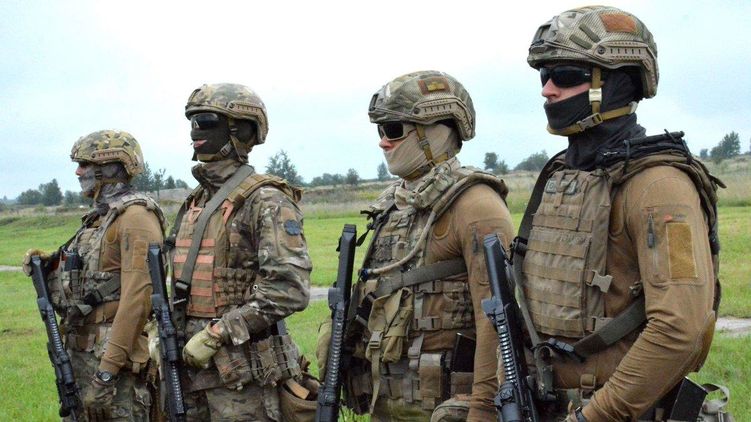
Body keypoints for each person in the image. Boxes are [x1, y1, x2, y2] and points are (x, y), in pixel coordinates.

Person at [509, 6, 723, 421]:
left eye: (565, 75)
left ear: (615, 82)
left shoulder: (659, 187)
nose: (547, 90)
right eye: (544, 75)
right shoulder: (560, 176)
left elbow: (679, 329)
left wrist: (592, 417)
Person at [318, 70, 514, 421]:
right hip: (388, 407)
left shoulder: (475, 205)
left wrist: (484, 410)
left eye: (393, 129)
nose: (383, 142)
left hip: (447, 411)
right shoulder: (391, 207)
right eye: (380, 131)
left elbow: (497, 323)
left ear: (435, 132)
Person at [169, 83, 313, 421]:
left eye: (206, 122)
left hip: (242, 377)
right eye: (192, 122)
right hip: (189, 371)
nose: (194, 132)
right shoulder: (195, 202)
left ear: (241, 130)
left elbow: (288, 289)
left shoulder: (266, 200)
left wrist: (219, 332)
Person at [23, 130, 165, 421]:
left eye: (85, 164)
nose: (78, 172)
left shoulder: (136, 217)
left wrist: (107, 373)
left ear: (110, 167)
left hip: (114, 371)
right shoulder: (100, 217)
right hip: (81, 360)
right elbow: (91, 279)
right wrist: (50, 265)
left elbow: (137, 300)